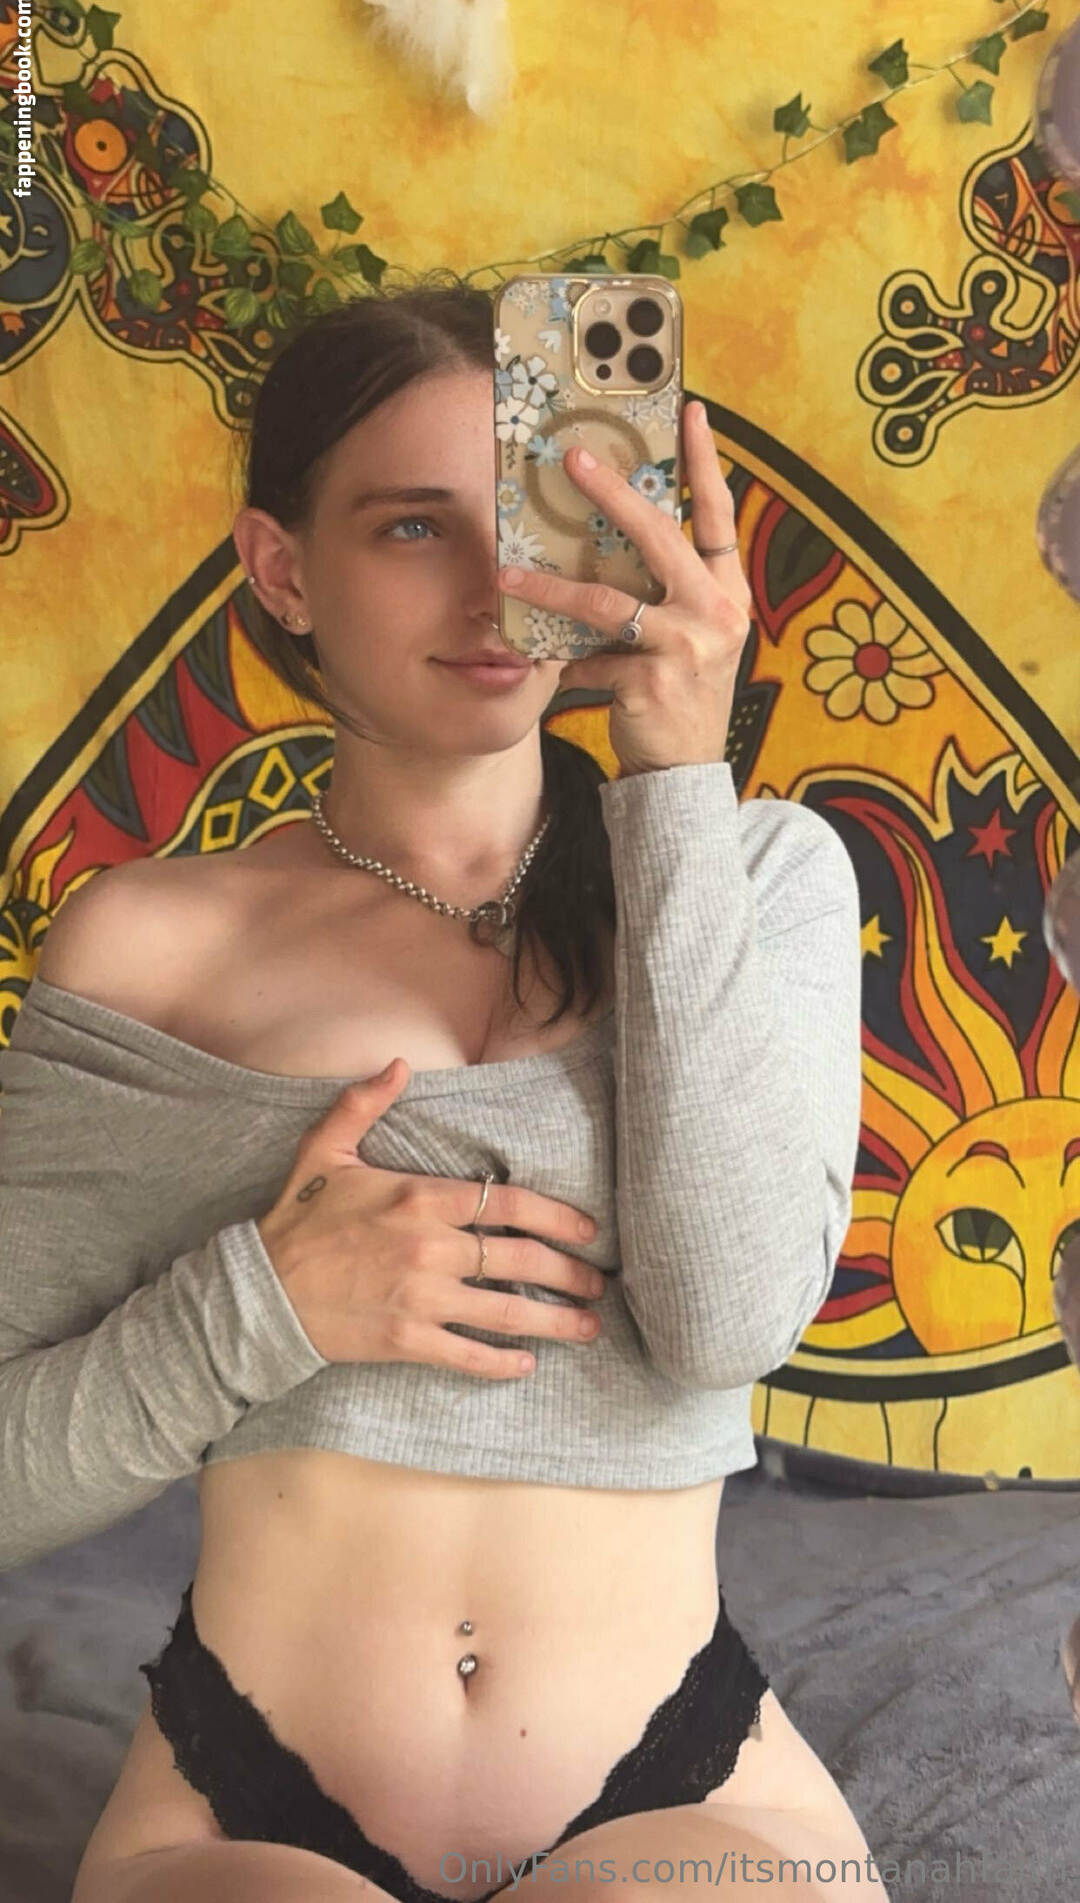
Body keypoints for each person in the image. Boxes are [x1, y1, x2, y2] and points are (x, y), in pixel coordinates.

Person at [0, 278, 886, 1902]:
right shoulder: (150, 945)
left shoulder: (758, 876)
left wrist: (675, 782)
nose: (496, 589)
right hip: (243, 1805)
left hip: (681, 1786)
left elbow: (728, 1321)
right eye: (414, 528)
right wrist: (262, 1307)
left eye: (537, 518)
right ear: (284, 570)